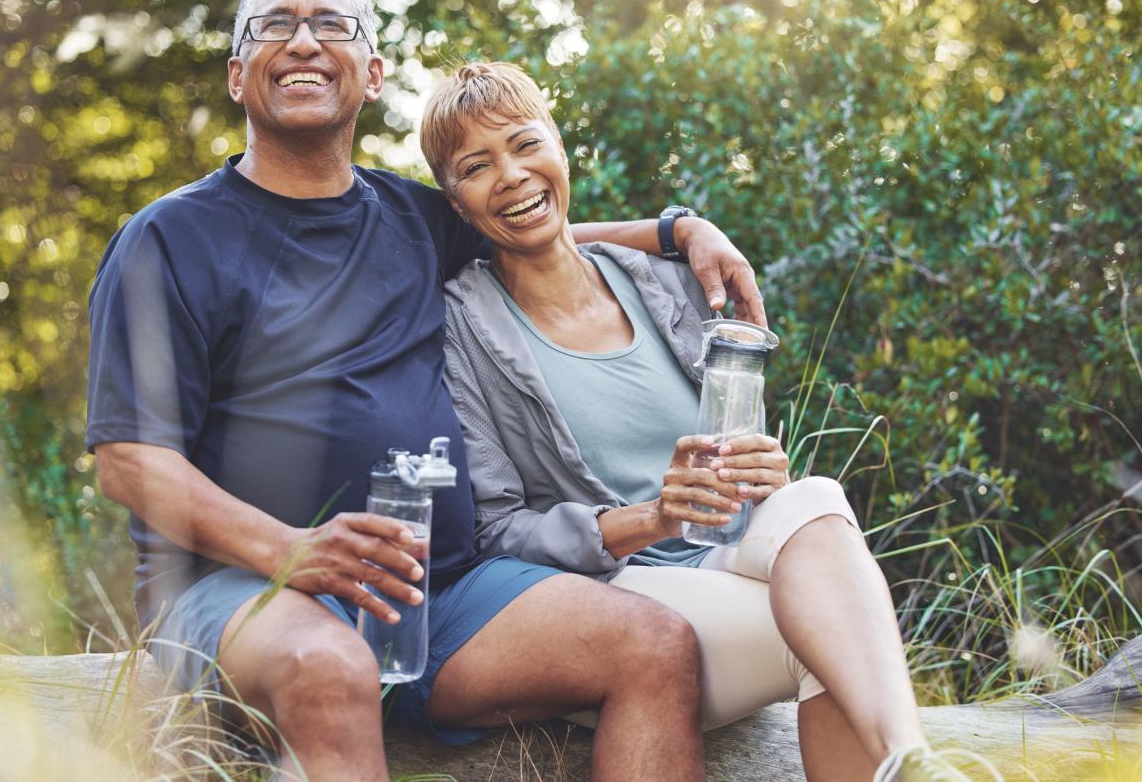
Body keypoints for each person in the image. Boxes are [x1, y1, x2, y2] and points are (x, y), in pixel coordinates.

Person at [86, 0, 767, 779]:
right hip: (242, 589)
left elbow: (538, 229)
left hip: (438, 591)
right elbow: (130, 462)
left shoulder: (414, 218)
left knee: (650, 643)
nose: (303, 41)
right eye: (274, 24)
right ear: (239, 75)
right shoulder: (168, 240)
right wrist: (291, 551)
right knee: (330, 666)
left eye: (332, 24)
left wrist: (677, 229)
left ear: (371, 74)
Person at [424, 62, 1001, 782]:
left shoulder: (661, 279)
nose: (510, 175)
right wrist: (651, 517)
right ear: (453, 202)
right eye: (477, 166)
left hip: (731, 558)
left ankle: (906, 761)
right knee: (824, 643)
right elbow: (497, 529)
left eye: (524, 144)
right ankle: (907, 760)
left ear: (560, 148)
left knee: (814, 495)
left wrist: (759, 473)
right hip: (613, 597)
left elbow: (738, 462)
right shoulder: (459, 327)